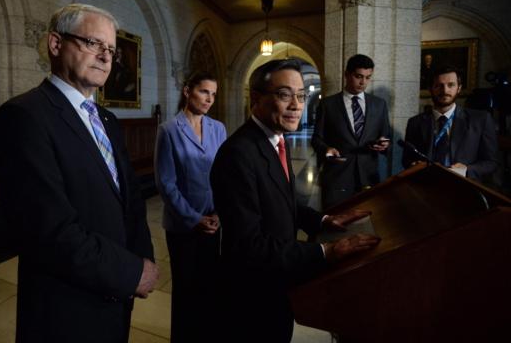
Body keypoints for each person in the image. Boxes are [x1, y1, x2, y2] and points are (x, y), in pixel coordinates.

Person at [0, 3, 159, 343]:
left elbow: (132, 200)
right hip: (67, 306)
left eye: (111, 49)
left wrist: (143, 258)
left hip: (115, 295)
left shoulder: (106, 119)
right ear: (56, 44)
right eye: (93, 43)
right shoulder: (23, 117)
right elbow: (49, 231)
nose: (106, 56)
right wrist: (130, 271)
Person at [210, 59, 381, 343]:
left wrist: (323, 219)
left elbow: (282, 202)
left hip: (277, 280)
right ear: (256, 99)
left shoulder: (277, 139)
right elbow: (249, 246)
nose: (296, 105)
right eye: (284, 94)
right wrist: (325, 252)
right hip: (252, 294)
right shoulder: (238, 154)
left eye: (301, 96)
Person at [154, 72, 227, 343]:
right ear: (187, 91)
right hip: (184, 225)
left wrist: (220, 213)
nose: (209, 99)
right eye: (204, 92)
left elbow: (223, 175)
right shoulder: (169, 130)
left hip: (214, 222)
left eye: (213, 94)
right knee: (186, 290)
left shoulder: (218, 128)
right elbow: (166, 183)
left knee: (210, 287)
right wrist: (195, 218)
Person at [312, 54, 391, 209]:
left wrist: (384, 145)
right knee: (336, 226)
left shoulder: (379, 105)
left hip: (369, 178)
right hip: (337, 178)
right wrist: (327, 149)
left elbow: (387, 137)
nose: (363, 82)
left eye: (368, 77)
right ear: (346, 74)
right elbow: (316, 139)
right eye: (358, 76)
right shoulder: (328, 105)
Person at [403, 66, 498, 180]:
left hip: (465, 189)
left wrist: (466, 170)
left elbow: (492, 162)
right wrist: (414, 165)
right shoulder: (415, 122)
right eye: (439, 86)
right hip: (426, 188)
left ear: (459, 88)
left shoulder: (481, 119)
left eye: (451, 85)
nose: (445, 91)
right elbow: (407, 159)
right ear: (430, 89)